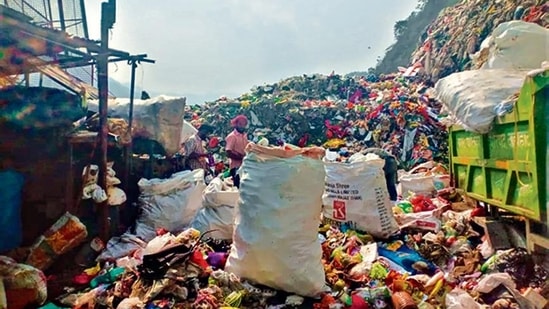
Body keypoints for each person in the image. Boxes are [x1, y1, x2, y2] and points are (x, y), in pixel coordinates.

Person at [225, 115, 249, 188]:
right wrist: (241, 157)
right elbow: (228, 153)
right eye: (240, 124)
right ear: (236, 124)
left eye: (244, 124)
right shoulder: (232, 136)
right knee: (238, 188)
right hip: (236, 167)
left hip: (244, 165)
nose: (242, 126)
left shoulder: (244, 135)